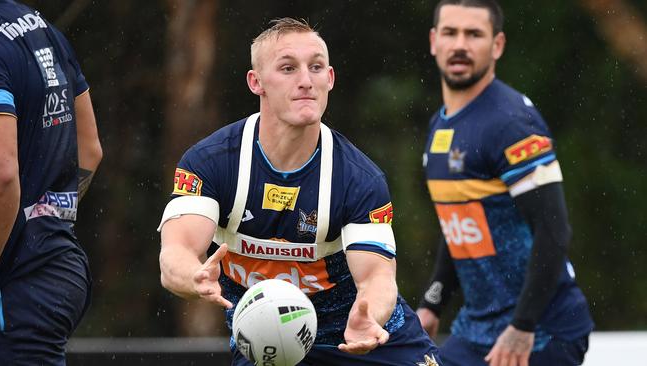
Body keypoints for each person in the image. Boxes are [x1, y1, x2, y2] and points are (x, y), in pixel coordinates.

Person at [158, 17, 441, 366]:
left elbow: (377, 278)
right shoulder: (212, 162)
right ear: (256, 82)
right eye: (288, 68)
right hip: (270, 345)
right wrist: (194, 277)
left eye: (316, 67)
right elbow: (176, 255)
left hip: (358, 336)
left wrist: (371, 317)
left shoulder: (358, 178)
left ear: (330, 79)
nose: (306, 81)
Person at [415, 1, 594, 365]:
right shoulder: (440, 124)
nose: (460, 44)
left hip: (541, 333)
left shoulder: (511, 123)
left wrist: (523, 327)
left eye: (474, 34)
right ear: (434, 41)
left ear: (497, 46)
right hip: (476, 330)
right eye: (450, 33)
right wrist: (432, 304)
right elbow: (461, 224)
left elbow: (553, 230)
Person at [0, 0, 102, 364]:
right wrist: (48, 216)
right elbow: (90, 150)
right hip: (57, 270)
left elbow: (3, 174)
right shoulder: (41, 28)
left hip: (16, 284)